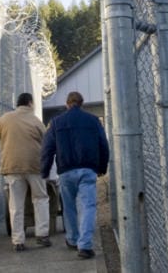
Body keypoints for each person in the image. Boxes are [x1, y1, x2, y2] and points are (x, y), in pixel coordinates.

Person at [41, 91, 109, 260]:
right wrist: (102, 167)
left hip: (66, 170)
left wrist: (44, 171)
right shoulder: (93, 121)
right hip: (88, 169)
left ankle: (72, 239)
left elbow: (47, 149)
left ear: (67, 103)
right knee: (88, 206)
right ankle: (85, 245)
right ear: (82, 103)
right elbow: (103, 145)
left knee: (69, 206)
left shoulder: (56, 122)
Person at [0, 92, 51, 251]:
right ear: (30, 103)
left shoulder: (3, 119)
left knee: (15, 205)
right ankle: (42, 235)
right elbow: (45, 141)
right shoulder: (36, 120)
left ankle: (18, 241)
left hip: (12, 166)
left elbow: (0, 137)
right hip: (34, 165)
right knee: (40, 199)